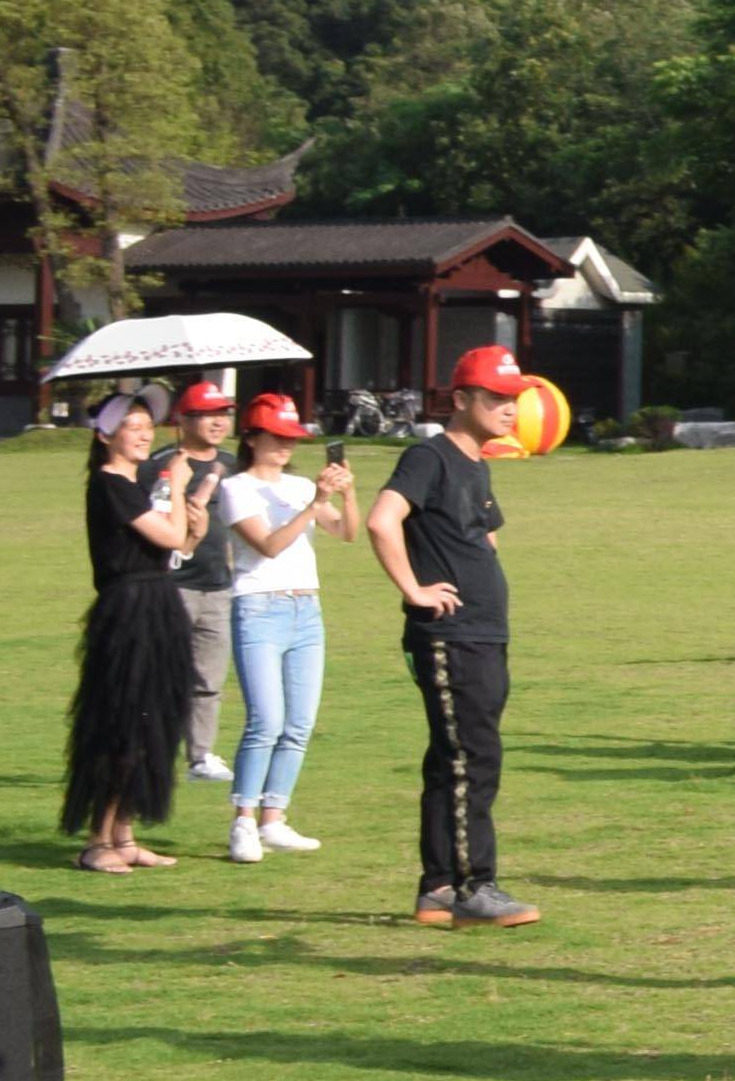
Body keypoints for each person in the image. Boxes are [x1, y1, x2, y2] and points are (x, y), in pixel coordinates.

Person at [369, 342, 540, 927]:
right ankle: (475, 886)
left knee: (452, 759)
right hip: (451, 635)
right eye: (496, 397)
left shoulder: (478, 464)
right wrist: (416, 589)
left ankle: (439, 887)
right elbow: (381, 518)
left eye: (514, 398)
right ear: (462, 398)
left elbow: (483, 535)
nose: (510, 408)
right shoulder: (430, 457)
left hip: (483, 633)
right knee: (474, 757)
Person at [65, 389, 211, 875]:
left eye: (148, 423)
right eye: (132, 424)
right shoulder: (110, 483)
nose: (145, 432)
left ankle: (123, 836)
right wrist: (177, 488)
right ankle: (96, 840)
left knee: (152, 725)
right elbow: (168, 536)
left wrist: (197, 520)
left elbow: (178, 546)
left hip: (158, 602)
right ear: (106, 435)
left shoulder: (136, 486)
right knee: (122, 725)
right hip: (129, 611)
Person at [211, 391, 352, 865]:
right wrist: (314, 504)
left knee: (299, 723)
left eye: (292, 439)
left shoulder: (296, 487)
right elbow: (268, 545)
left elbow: (347, 532)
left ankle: (275, 817)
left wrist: (346, 494)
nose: (286, 447)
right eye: (277, 437)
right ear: (251, 437)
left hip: (305, 609)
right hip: (259, 607)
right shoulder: (237, 488)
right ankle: (243, 822)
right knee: (265, 721)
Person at [167, 374, 245, 789]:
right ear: (183, 418)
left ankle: (200, 755)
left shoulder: (235, 466)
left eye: (222, 414)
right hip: (173, 583)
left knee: (209, 679)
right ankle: (154, 749)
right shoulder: (165, 467)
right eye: (205, 414)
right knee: (165, 675)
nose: (216, 421)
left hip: (219, 585)